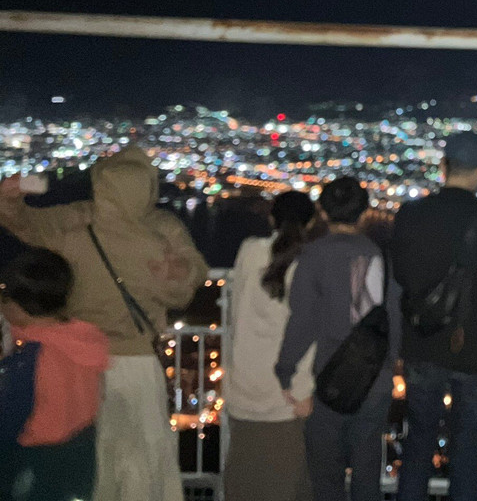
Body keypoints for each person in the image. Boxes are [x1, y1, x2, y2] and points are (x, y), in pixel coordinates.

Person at [0, 146, 208, 501]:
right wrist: (167, 274)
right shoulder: (162, 228)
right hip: (138, 360)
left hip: (75, 357)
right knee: (143, 460)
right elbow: (186, 288)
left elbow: (25, 225)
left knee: (91, 458)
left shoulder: (77, 219)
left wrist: (9, 199)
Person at [391, 131, 477, 501]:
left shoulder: (411, 215)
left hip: (423, 342)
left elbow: (402, 275)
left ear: (443, 166)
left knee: (419, 441)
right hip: (476, 347)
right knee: (467, 446)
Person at [274, 178, 400, 501]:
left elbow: (302, 320)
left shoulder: (315, 255)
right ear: (364, 213)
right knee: (366, 474)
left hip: (332, 380)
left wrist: (285, 369)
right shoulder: (381, 256)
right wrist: (388, 364)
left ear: (323, 213)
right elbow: (394, 318)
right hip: (375, 380)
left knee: (326, 477)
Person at [225, 191, 325, 501]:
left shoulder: (248, 251)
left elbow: (237, 309)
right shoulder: (310, 262)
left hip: (242, 384)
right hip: (285, 394)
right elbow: (306, 331)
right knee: (286, 482)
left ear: (271, 218)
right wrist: (305, 388)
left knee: (242, 479)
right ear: (310, 223)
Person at [0, 247, 110, 501]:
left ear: (19, 305)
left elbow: (10, 420)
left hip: (33, 463)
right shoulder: (82, 341)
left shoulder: (31, 357)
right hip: (80, 455)